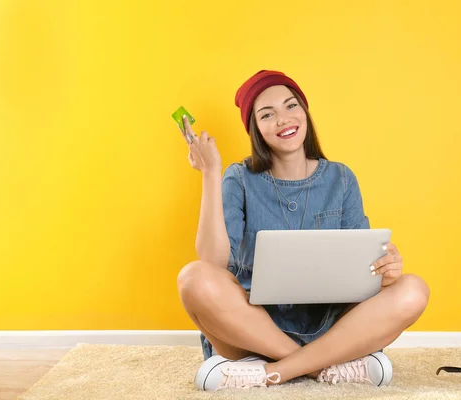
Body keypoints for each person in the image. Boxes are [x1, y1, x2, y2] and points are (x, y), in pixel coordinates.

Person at [176, 70, 430, 391]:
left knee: (413, 289)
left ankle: (271, 372)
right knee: (193, 278)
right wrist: (210, 173)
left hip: (332, 326)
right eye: (267, 114)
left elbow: (366, 274)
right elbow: (212, 263)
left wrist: (385, 270)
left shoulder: (341, 178)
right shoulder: (238, 178)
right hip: (255, 328)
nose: (283, 119)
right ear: (255, 128)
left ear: (305, 113)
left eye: (291, 106)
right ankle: (319, 367)